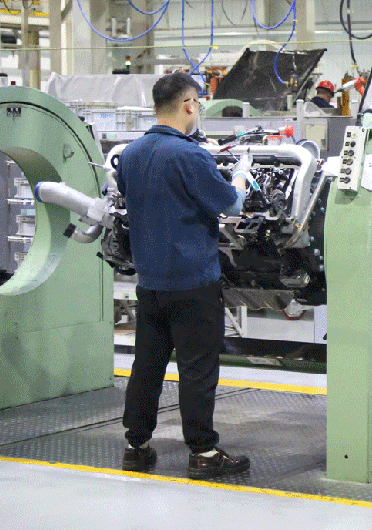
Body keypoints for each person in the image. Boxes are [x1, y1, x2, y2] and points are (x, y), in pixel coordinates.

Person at [118, 73, 254, 480]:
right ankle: (203, 452)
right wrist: (242, 175)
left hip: (150, 282)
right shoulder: (190, 156)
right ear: (190, 105)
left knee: (147, 366)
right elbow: (231, 204)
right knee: (197, 369)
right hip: (193, 283)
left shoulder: (130, 154)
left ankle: (136, 446)